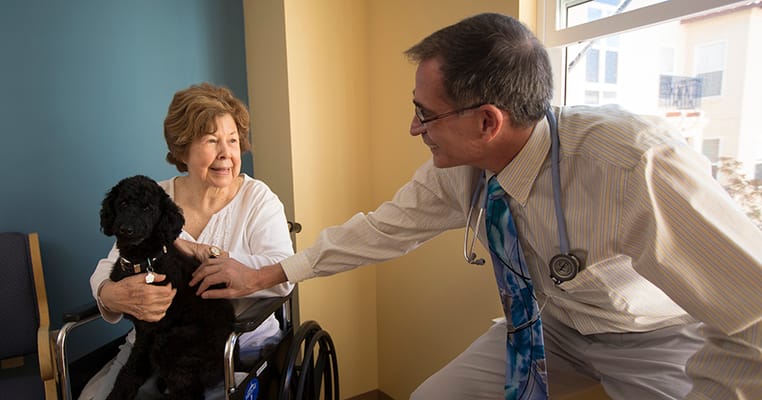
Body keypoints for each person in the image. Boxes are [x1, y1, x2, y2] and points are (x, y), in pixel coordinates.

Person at [187, 13, 762, 400]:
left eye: (425, 113)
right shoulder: (462, 170)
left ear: (487, 121)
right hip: (548, 326)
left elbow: (753, 316)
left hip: (652, 338)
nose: (414, 128)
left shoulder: (633, 167)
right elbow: (384, 229)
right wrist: (266, 272)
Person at [81, 82, 294, 400]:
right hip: (154, 344)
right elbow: (111, 265)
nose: (227, 154)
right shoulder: (156, 195)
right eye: (213, 141)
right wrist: (111, 293)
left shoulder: (258, 199)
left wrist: (207, 253)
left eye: (233, 141)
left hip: (233, 347)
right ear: (183, 149)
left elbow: (283, 277)